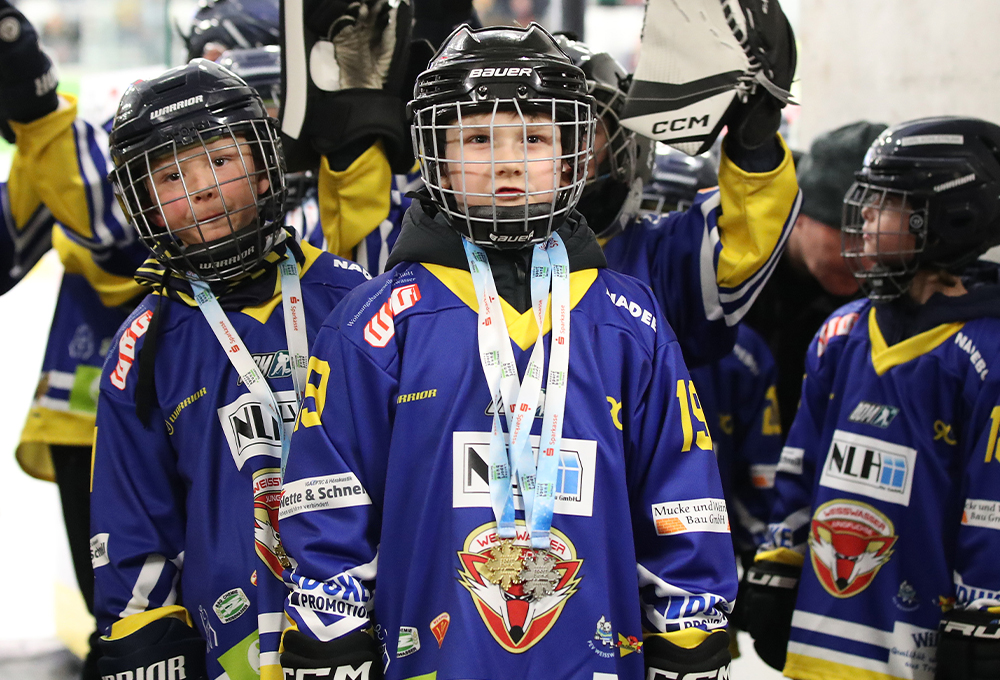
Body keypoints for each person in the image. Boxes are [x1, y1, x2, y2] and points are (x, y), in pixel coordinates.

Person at [277, 23, 737, 680]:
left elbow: (681, 495)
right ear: (434, 152)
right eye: (476, 138)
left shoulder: (630, 321)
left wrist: (688, 634)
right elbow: (329, 502)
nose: (508, 162)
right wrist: (330, 635)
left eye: (535, 137)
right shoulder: (374, 322)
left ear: (577, 152)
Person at [88, 61, 370, 680]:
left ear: (265, 167)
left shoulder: (357, 301)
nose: (200, 190)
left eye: (219, 161)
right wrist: (146, 641)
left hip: (360, 631)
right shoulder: (144, 347)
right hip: (232, 642)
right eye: (170, 177)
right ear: (145, 206)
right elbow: (133, 523)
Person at [743, 116, 1000, 680]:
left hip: (922, 640)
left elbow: (990, 504)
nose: (862, 219)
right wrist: (781, 555)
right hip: (823, 631)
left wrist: (987, 606)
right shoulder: (842, 330)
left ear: (947, 221)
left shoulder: (984, 352)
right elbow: (802, 461)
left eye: (882, 204)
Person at [553, 34, 801, 368]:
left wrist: (753, 136)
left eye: (579, 128)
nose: (555, 151)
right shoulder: (462, 254)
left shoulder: (659, 256)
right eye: (531, 134)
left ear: (624, 146)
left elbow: (749, 229)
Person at [744, 120, 888, 433]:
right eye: (850, 236)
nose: (866, 259)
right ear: (797, 213)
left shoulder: (889, 290)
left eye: (878, 239)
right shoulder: (734, 269)